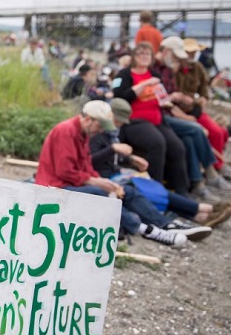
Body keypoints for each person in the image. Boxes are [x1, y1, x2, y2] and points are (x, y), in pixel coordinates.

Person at [35, 100, 192, 247]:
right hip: (55, 187)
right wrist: (96, 182)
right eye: (100, 126)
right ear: (89, 119)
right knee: (97, 192)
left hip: (70, 183)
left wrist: (105, 182)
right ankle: (145, 230)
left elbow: (86, 166)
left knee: (127, 191)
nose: (102, 130)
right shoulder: (66, 131)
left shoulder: (82, 133)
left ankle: (163, 223)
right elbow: (64, 172)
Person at [91, 98, 228, 229]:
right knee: (148, 191)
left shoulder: (109, 133)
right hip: (106, 177)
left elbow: (111, 157)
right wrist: (113, 149)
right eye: (117, 121)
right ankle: (201, 210)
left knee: (152, 189)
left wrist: (130, 159)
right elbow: (93, 160)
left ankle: (199, 214)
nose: (119, 124)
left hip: (114, 173)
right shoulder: (96, 135)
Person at [111, 42, 191, 196]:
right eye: (140, 53)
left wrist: (169, 99)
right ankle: (155, 189)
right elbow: (120, 98)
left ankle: (181, 189)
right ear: (134, 56)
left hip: (157, 119)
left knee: (178, 147)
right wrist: (144, 84)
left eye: (147, 54)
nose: (144, 57)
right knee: (157, 143)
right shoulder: (124, 74)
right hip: (134, 121)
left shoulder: (155, 74)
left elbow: (161, 98)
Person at [166, 36, 231, 190]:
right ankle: (210, 171)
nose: (192, 55)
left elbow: (204, 92)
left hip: (194, 110)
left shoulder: (198, 68)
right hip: (180, 112)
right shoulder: (173, 70)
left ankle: (216, 167)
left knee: (218, 132)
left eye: (194, 52)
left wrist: (201, 99)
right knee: (200, 133)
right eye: (189, 52)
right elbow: (171, 97)